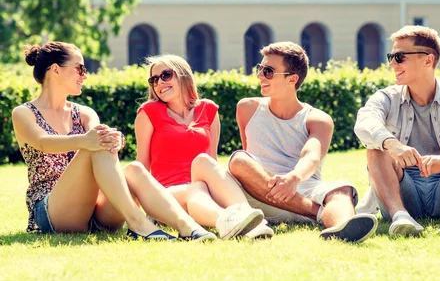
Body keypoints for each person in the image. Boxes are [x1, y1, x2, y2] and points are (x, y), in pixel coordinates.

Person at [11, 42, 213, 240]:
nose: (85, 75)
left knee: (134, 168)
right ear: (55, 70)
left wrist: (115, 140)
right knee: (94, 145)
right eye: (80, 69)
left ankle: (187, 226)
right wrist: (87, 140)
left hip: (96, 210)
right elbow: (43, 142)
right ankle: (138, 224)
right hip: (53, 211)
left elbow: (100, 142)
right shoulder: (24, 113)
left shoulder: (84, 113)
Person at [228, 42, 377, 243]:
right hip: (259, 195)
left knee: (342, 190)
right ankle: (317, 214)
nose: (260, 76)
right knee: (238, 160)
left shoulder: (317, 119)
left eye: (269, 71)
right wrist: (272, 182)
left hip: (302, 187)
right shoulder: (247, 108)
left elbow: (312, 155)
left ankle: (343, 227)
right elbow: (248, 156)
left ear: (293, 79)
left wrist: (293, 179)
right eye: (260, 69)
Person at [354, 25, 440, 237]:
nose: (391, 63)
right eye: (390, 56)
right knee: (376, 147)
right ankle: (400, 218)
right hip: (401, 192)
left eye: (399, 57)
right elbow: (365, 121)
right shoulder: (386, 97)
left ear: (428, 60)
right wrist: (392, 144)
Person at [134, 54, 271, 239]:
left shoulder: (208, 109)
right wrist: (135, 214)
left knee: (203, 162)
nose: (159, 83)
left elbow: (212, 162)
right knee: (195, 189)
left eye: (166, 75)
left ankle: (248, 217)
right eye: (154, 79)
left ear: (183, 75)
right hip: (167, 194)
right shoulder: (148, 113)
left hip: (203, 189)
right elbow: (141, 167)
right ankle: (228, 220)